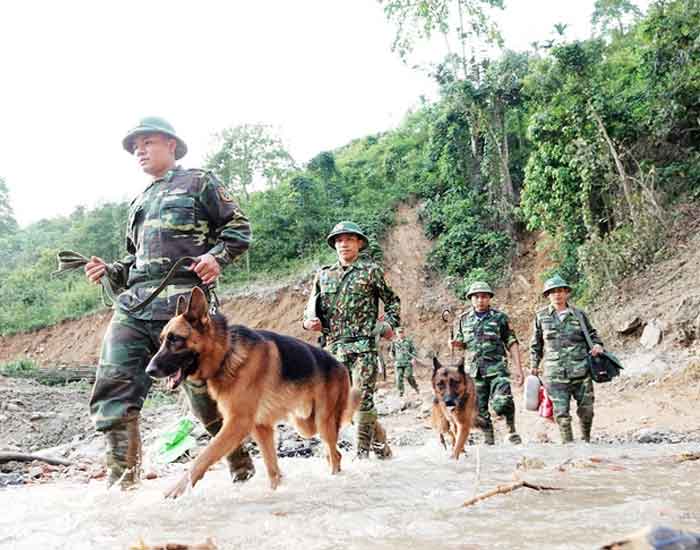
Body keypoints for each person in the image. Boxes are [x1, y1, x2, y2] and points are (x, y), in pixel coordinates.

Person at [84, 116, 253, 489]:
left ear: (171, 145)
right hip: (134, 308)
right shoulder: (139, 201)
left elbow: (239, 229)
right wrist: (109, 270)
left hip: (185, 313)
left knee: (206, 400)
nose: (139, 151)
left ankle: (242, 469)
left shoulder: (200, 182)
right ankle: (122, 488)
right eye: (135, 147)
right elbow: (134, 262)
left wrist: (216, 257)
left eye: (147, 143)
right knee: (114, 390)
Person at [303, 221, 400, 459]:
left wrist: (388, 325)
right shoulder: (323, 274)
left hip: (364, 347)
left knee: (363, 399)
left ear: (359, 243)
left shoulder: (371, 272)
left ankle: (361, 457)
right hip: (333, 351)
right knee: (342, 404)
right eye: (339, 240)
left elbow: (393, 301)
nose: (343, 243)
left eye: (349, 239)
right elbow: (308, 313)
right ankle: (382, 449)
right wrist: (309, 323)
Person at [529, 275, 604, 443]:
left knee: (587, 411)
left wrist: (597, 345)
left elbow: (593, 335)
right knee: (561, 414)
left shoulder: (579, 314)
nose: (557, 295)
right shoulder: (541, 317)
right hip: (554, 374)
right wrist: (534, 365)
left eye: (561, 291)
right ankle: (568, 446)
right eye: (553, 292)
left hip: (581, 371)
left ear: (567, 293)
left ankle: (586, 441)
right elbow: (536, 344)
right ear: (548, 295)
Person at [449, 281, 524, 445]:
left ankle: (511, 430)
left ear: (489, 298)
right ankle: (489, 442)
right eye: (476, 297)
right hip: (475, 373)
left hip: (498, 369)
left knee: (502, 402)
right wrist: (455, 344)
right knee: (479, 413)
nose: (480, 300)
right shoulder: (463, 320)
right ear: (471, 299)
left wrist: (519, 368)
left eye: (484, 296)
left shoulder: (500, 318)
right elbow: (462, 345)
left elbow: (511, 342)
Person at [390, 327, 420, 397]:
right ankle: (400, 392)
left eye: (401, 332)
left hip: (407, 362)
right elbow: (392, 352)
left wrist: (413, 358)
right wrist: (392, 357)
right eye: (399, 332)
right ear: (396, 333)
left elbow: (414, 351)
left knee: (409, 376)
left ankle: (415, 387)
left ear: (404, 333)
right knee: (398, 378)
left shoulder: (408, 341)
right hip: (398, 363)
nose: (400, 334)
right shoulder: (394, 342)